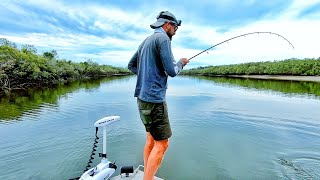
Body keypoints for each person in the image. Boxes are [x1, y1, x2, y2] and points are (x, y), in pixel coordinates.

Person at [128, 11, 189, 180]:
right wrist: (181, 63)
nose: (175, 31)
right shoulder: (163, 39)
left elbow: (131, 65)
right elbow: (172, 71)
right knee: (162, 144)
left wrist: (148, 76)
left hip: (142, 99)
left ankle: (146, 176)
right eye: (175, 27)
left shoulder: (146, 41)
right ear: (167, 24)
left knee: (151, 140)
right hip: (155, 101)